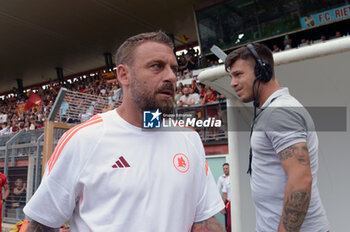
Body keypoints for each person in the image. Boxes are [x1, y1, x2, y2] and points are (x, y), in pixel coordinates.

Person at [23, 31, 225, 232]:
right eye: (157, 66)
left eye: (174, 68)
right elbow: (43, 223)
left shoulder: (189, 139)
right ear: (124, 75)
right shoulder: (83, 139)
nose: (171, 77)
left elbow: (205, 221)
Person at [225, 43, 329, 231]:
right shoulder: (274, 111)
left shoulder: (279, 112)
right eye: (231, 76)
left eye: (238, 74)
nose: (232, 83)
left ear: (262, 71)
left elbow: (300, 181)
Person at [217, 163, 230, 231]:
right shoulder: (221, 178)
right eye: (224, 169)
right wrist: (220, 205)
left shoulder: (232, 177)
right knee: (227, 221)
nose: (225, 170)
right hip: (227, 202)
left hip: (234, 201)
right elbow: (218, 190)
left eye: (226, 168)